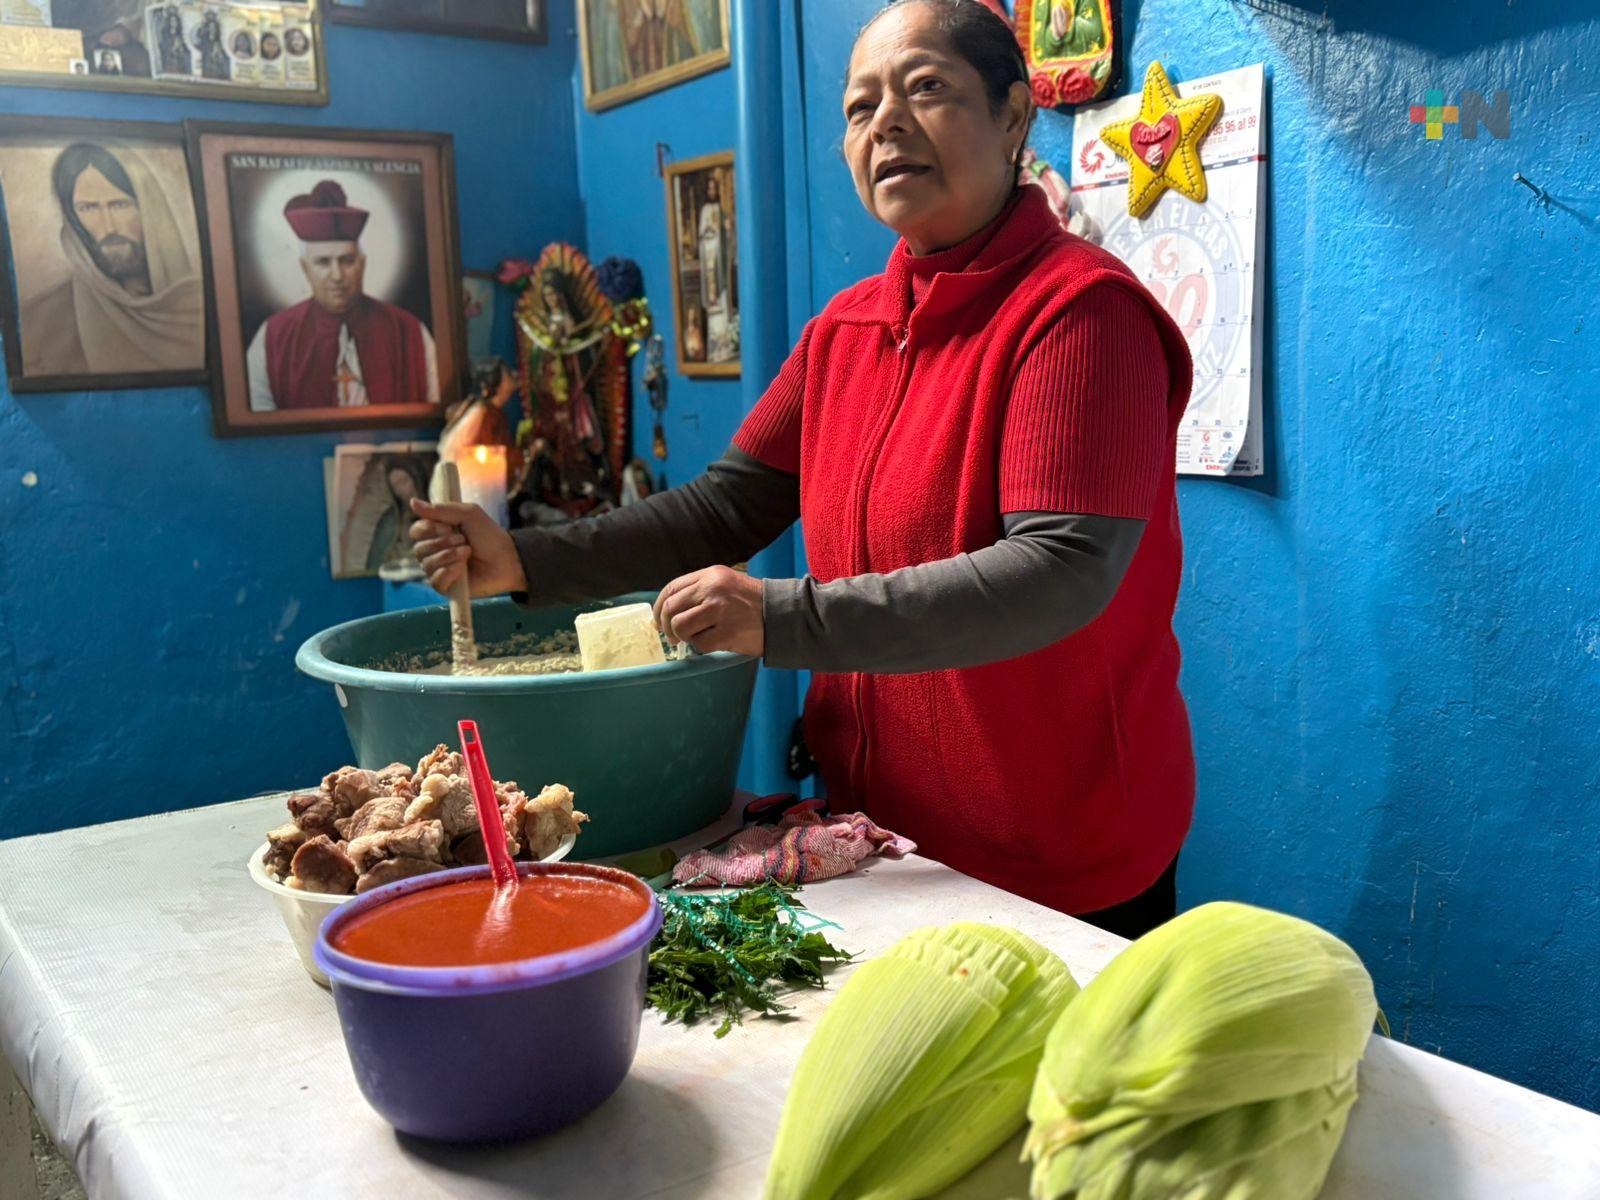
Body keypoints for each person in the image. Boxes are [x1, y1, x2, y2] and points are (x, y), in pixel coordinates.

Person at [410, 0, 1195, 939]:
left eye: (928, 89)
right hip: (880, 840)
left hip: (1055, 859)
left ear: (1016, 115)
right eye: (861, 108)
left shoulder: (1080, 317)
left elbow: (1060, 571)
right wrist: (526, 562)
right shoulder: (845, 333)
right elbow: (725, 507)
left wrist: (785, 617)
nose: (887, 123)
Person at [245, 180, 438, 411]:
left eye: (347, 261)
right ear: (305, 268)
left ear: (363, 264)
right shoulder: (273, 336)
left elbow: (437, 408)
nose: (337, 276)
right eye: (323, 262)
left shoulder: (410, 331)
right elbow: (260, 417)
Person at [21, 142, 204, 377]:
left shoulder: (200, 304)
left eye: (120, 205)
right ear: (73, 219)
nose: (108, 226)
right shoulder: (40, 323)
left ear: (149, 208)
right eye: (88, 208)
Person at [697, 174, 730, 311]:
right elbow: (701, 229)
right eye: (710, 189)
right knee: (710, 274)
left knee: (718, 272)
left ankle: (719, 298)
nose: (712, 192)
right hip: (708, 246)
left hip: (718, 246)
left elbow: (725, 226)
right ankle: (712, 299)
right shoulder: (705, 209)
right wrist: (708, 228)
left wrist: (727, 225)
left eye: (714, 189)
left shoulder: (719, 208)